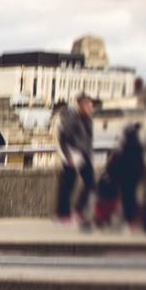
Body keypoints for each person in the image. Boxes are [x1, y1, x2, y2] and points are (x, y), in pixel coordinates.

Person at [54, 94, 95, 228]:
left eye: (90, 105)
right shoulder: (71, 118)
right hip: (71, 154)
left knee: (91, 183)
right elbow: (63, 138)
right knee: (67, 185)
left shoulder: (88, 119)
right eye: (87, 105)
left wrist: (88, 154)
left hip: (83, 154)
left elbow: (88, 139)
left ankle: (78, 210)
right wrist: (68, 157)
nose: (90, 108)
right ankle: (63, 214)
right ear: (79, 106)